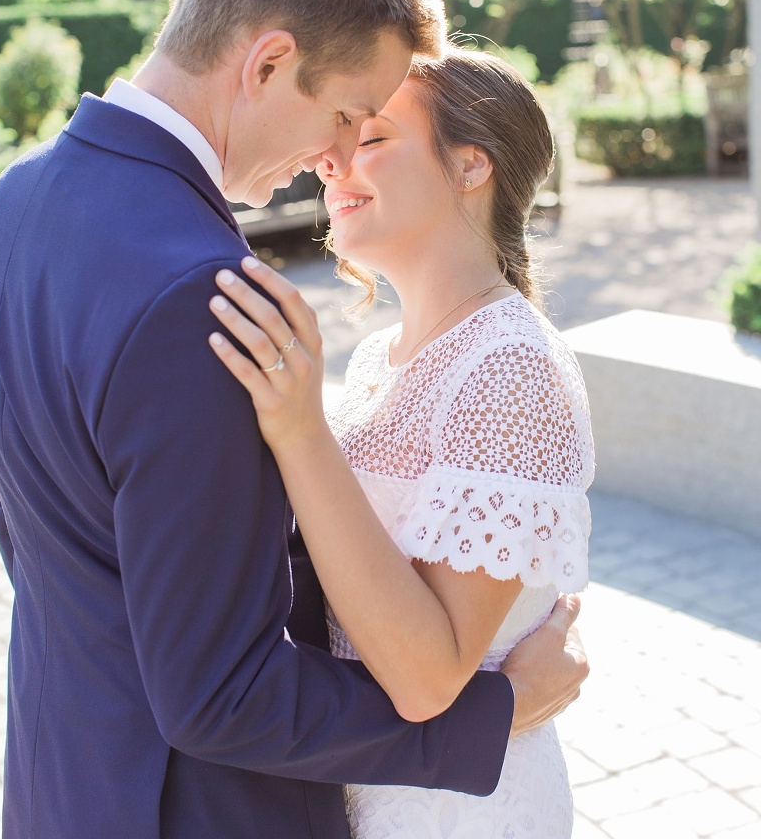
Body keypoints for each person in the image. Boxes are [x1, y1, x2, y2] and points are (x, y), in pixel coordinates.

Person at [0, 0, 587, 839]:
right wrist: (497, 714)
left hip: (64, 780)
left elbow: (51, 536)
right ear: (269, 63)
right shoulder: (199, 293)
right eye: (348, 113)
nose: (330, 156)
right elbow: (221, 693)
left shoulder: (12, 204)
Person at [208, 47, 595, 838]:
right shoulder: (376, 360)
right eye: (337, 136)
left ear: (470, 165)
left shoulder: (511, 366)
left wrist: (300, 431)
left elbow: (426, 680)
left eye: (373, 137)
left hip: (458, 813)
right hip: (369, 789)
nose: (331, 161)